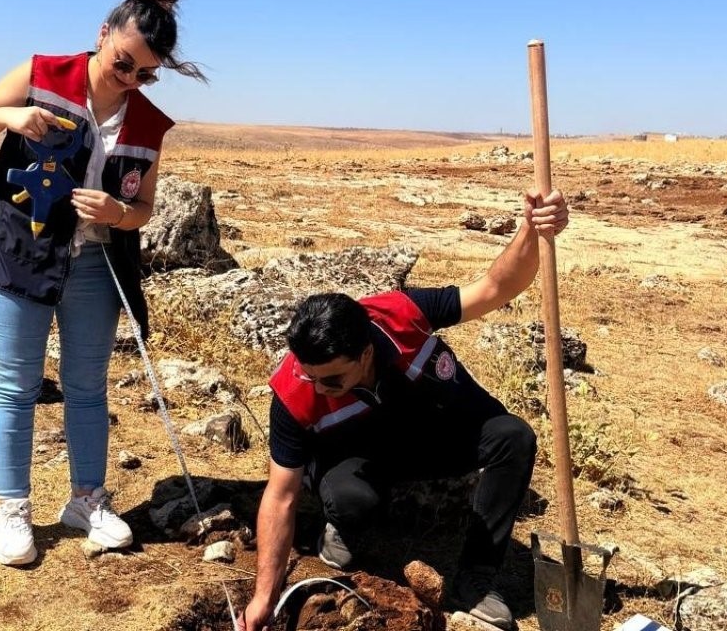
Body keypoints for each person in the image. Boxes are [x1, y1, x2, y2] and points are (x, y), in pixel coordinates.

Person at [0, 0, 206, 566]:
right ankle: (12, 511)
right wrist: (8, 116)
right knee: (16, 386)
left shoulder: (148, 123)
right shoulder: (42, 75)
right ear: (103, 33)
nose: (131, 79)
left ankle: (87, 500)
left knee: (87, 389)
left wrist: (118, 214)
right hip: (21, 255)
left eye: (147, 74)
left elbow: (143, 209)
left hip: (95, 266)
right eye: (123, 63)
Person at [240, 190, 570, 630]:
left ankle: (476, 579)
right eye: (310, 375)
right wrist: (265, 597)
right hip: (356, 462)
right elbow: (280, 496)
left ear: (364, 354)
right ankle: (341, 525)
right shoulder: (294, 391)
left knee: (513, 437)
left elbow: (495, 287)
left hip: (425, 434)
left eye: (332, 380)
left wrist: (533, 227)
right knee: (353, 502)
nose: (318, 387)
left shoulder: (399, 316)